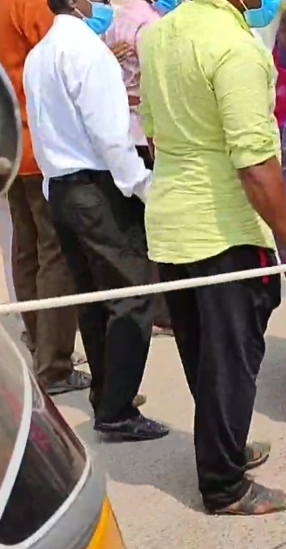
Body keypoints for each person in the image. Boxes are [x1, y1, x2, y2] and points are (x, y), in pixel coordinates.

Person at [140, 0, 286, 515]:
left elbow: (152, 131)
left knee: (204, 351)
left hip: (174, 220)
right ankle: (224, 484)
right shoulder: (234, 47)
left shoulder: (159, 36)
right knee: (232, 357)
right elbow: (256, 164)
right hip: (223, 229)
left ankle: (225, 446)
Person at [23, 0, 169, 442]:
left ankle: (109, 395)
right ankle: (118, 408)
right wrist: (143, 186)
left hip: (62, 186)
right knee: (132, 296)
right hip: (98, 185)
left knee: (92, 296)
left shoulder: (41, 52)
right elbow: (110, 134)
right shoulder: (88, 50)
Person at [0, 0, 90, 396]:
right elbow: (62, 56)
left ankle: (41, 344)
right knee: (55, 251)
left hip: (8, 143)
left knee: (27, 248)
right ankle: (55, 365)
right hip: (40, 145)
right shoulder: (29, 5)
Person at [104, 0, 172, 335]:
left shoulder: (111, 20)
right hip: (143, 132)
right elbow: (154, 84)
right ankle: (162, 309)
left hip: (123, 128)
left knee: (134, 227)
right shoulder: (148, 24)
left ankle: (153, 306)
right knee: (155, 227)